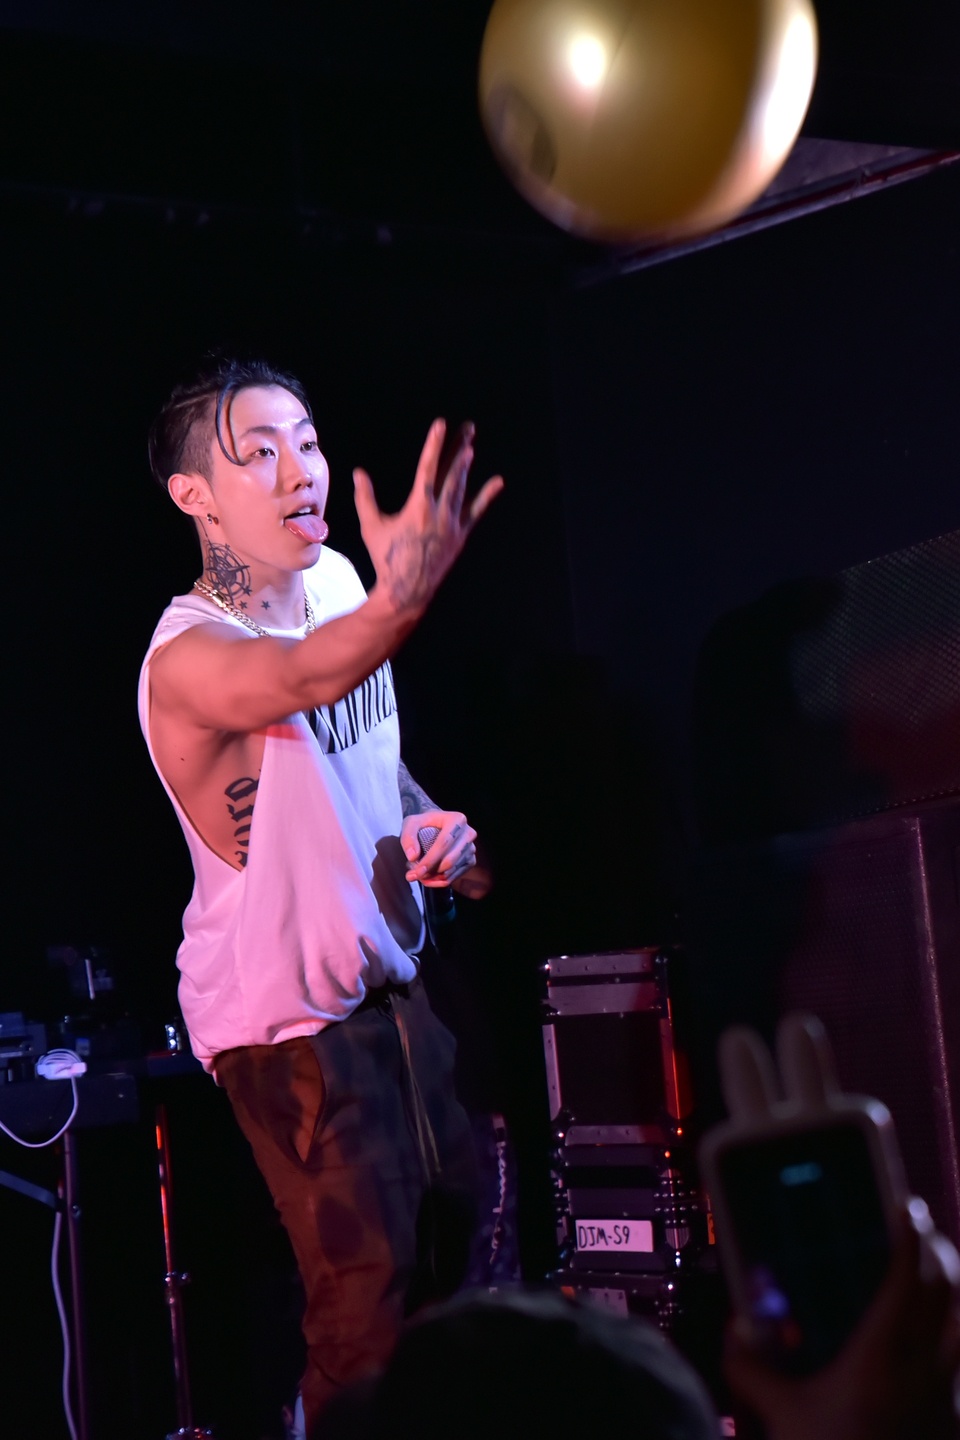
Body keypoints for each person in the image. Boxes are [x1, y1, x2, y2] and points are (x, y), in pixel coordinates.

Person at [138, 357, 503, 1435]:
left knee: (458, 1279)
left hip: (394, 996)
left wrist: (436, 828)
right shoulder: (187, 658)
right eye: (260, 454)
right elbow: (301, 681)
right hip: (289, 1030)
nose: (301, 472)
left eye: (306, 442)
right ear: (196, 495)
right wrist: (405, 597)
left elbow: (368, 759)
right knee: (367, 1322)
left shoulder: (340, 584)